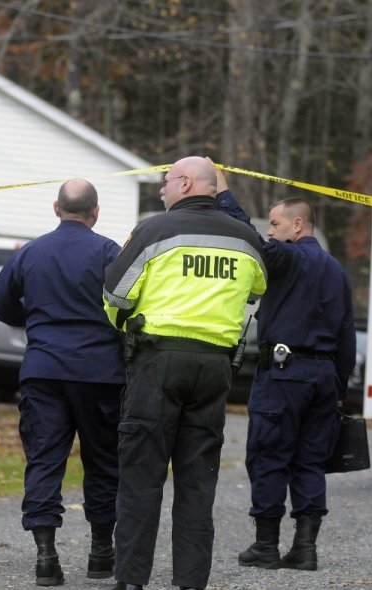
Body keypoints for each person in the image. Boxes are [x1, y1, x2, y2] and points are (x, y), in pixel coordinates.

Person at [103, 156, 267, 590]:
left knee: (141, 477)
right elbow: (258, 287)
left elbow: (115, 295)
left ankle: (131, 582)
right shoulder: (246, 238)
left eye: (164, 182)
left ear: (185, 182)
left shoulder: (154, 231)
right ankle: (191, 583)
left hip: (158, 361)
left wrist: (128, 326)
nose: (161, 190)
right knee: (197, 484)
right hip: (215, 367)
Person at [214, 166, 355, 571]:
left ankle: (266, 546)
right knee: (310, 462)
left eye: (276, 224)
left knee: (269, 455)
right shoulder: (338, 271)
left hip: (285, 373)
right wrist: (338, 386)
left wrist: (224, 192)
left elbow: (248, 237)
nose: (271, 232)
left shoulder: (288, 259)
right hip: (324, 378)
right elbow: (346, 336)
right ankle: (305, 549)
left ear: (298, 225)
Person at [0, 178, 125, 587]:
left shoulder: (30, 251)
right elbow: (131, 304)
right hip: (100, 373)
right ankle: (101, 554)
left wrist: (33, 319)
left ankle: (46, 557)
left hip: (44, 370)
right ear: (95, 212)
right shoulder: (108, 252)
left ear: (56, 207)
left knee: (45, 460)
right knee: (103, 462)